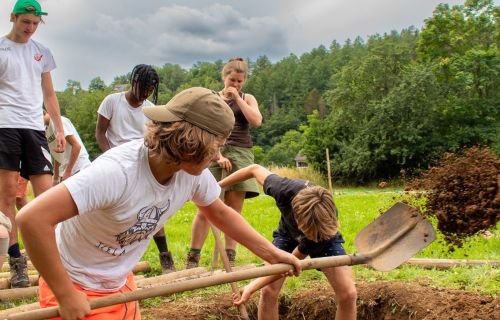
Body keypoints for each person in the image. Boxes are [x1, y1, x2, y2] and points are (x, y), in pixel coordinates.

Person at [17, 87, 302, 320]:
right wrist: (66, 294)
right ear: (195, 142)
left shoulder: (192, 175)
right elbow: (32, 219)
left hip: (119, 282)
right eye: (218, 145)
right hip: (74, 283)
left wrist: (272, 254)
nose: (218, 155)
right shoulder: (116, 173)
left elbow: (219, 212)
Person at [226, 164, 357, 320]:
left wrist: (252, 286)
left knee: (348, 294)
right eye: (307, 230)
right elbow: (254, 169)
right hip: (287, 234)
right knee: (268, 291)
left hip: (325, 240)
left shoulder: (325, 223)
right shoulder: (282, 189)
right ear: (297, 215)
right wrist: (217, 187)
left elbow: (293, 262)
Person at [0, 0, 65, 288]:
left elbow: (49, 95)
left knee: (48, 195)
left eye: (35, 24)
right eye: (26, 22)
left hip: (35, 128)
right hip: (5, 125)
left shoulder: (42, 53)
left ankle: (57, 258)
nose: (30, 28)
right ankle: (17, 264)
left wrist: (59, 130)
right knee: (7, 196)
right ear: (13, 17)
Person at [95, 64, 175, 274]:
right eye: (144, 88)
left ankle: (165, 256)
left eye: (150, 90)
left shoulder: (149, 108)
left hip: (142, 161)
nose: (146, 94)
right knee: (119, 210)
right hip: (116, 161)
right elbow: (101, 133)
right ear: (134, 82)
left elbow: (153, 138)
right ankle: (114, 257)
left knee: (152, 207)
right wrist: (110, 155)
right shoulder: (112, 101)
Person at [186, 57, 262, 268]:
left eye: (239, 81)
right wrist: (217, 155)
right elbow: (206, 127)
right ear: (224, 77)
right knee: (205, 207)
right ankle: (193, 259)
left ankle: (230, 258)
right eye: (232, 80)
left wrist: (237, 98)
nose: (235, 84)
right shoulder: (213, 98)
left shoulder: (247, 98)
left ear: (243, 81)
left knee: (234, 210)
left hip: (241, 153)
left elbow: (256, 121)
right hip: (214, 150)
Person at [44, 112, 91, 184]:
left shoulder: (59, 122)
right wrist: (56, 178)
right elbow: (57, 155)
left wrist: (68, 172)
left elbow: (76, 146)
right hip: (66, 172)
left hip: (79, 168)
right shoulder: (45, 130)